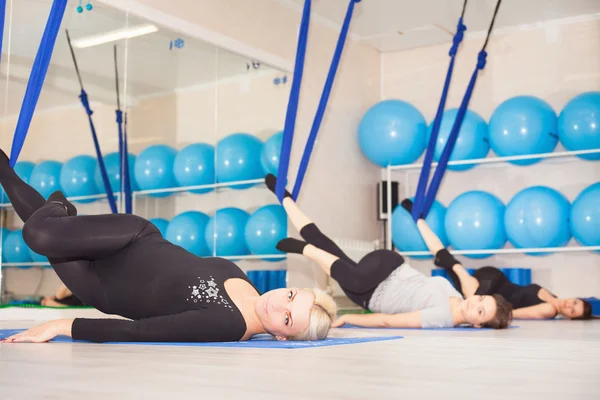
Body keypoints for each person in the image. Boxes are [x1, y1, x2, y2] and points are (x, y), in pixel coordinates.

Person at [0, 150, 336, 344]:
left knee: (39, 231)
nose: (279, 305)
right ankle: (58, 209)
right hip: (133, 238)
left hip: (99, 285)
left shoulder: (228, 325)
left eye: (288, 319)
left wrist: (60, 326)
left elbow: (140, 331)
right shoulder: (242, 278)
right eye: (290, 296)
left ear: (282, 337)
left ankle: (51, 201)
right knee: (40, 235)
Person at [265, 175, 512, 330]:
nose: (475, 302)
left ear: (478, 325)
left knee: (324, 243)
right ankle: (306, 250)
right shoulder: (456, 299)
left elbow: (389, 321)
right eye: (481, 299)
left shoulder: (444, 315)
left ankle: (284, 198)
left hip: (379, 267)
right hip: (373, 279)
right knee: (345, 271)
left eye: (480, 310)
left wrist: (350, 319)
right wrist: (417, 219)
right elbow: (443, 254)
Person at [404, 199, 593, 321]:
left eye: (573, 311)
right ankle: (428, 234)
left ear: (569, 317)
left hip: (490, 297)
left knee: (457, 278)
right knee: (461, 283)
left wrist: (491, 317)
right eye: (575, 302)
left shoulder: (549, 310)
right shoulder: (551, 296)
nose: (570, 305)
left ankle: (421, 225)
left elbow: (512, 314)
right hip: (494, 281)